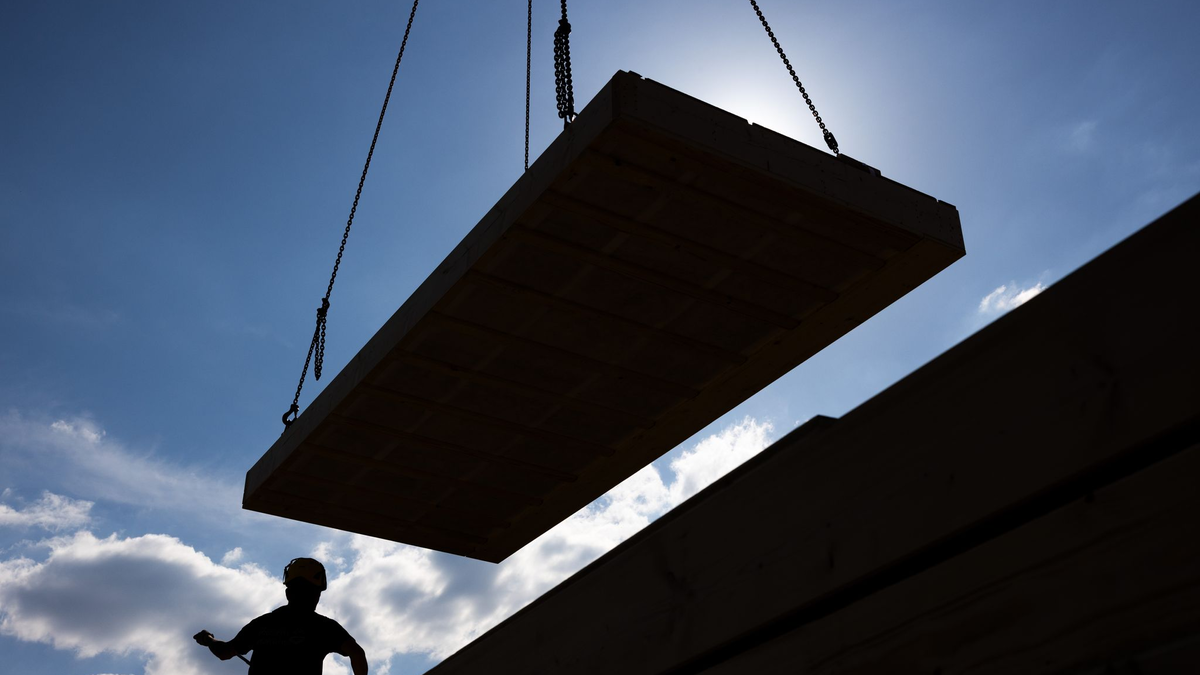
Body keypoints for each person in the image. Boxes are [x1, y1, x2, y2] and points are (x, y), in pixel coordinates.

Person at [194, 557, 367, 674]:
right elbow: (357, 654)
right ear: (317, 595)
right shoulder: (325, 627)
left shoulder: (262, 624)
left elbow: (224, 652)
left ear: (288, 593)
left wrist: (209, 639)